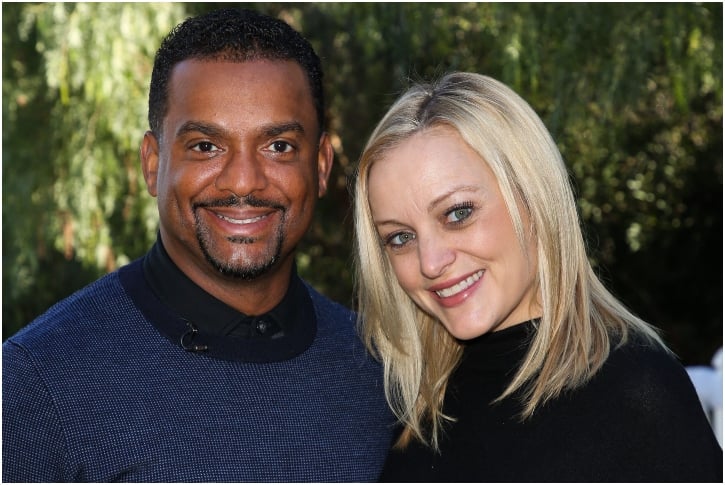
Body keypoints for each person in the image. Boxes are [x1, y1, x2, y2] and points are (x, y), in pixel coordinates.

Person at [3, 8, 393, 482]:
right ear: (153, 164)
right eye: (206, 146)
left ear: (322, 165)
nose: (243, 182)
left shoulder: (382, 372)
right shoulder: (39, 382)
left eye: (279, 146)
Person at [352, 71, 723, 482]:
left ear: (533, 197)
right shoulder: (406, 414)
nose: (431, 262)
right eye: (400, 237)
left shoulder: (636, 395)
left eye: (458, 213)